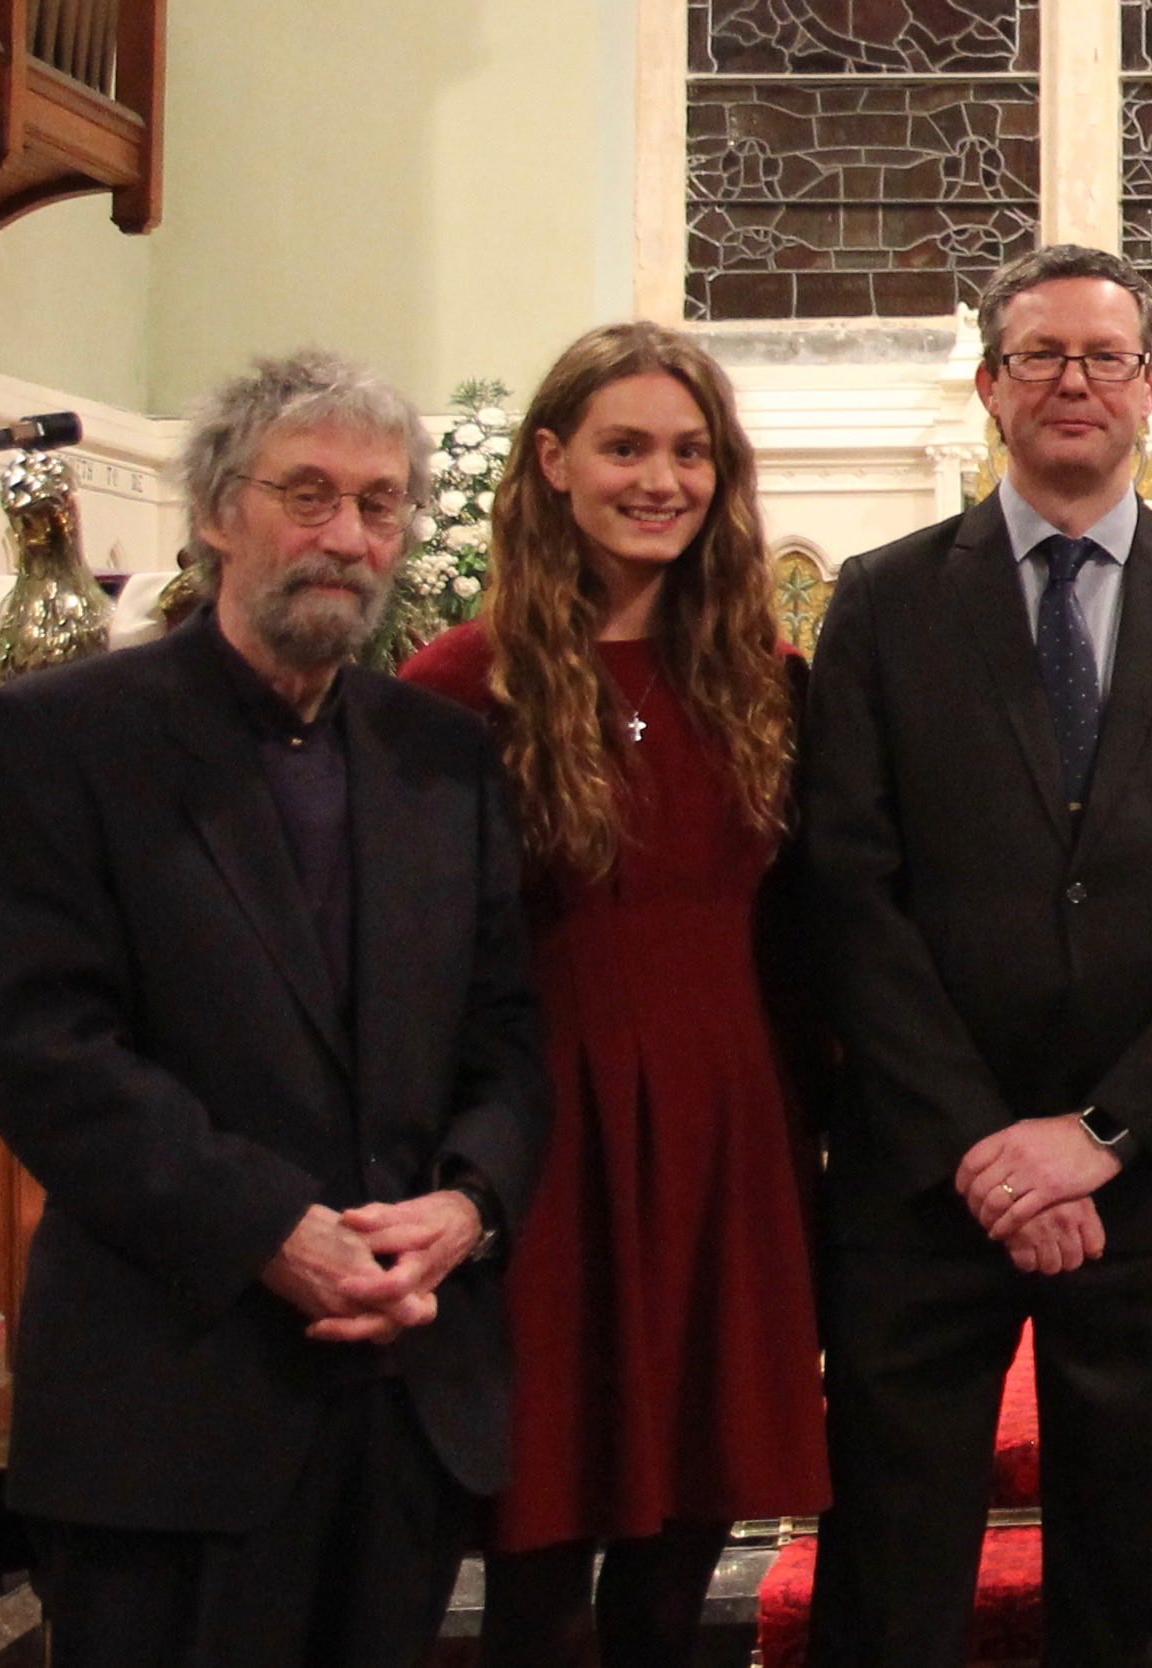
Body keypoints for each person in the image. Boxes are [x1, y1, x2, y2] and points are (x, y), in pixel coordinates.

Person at [0, 350, 547, 1668]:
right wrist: (268, 1229)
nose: (346, 537)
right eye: (308, 494)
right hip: (174, 1395)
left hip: (405, 1395)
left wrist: (469, 1205)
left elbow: (506, 1033)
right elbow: (42, 1046)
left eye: (380, 504)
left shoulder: (439, 755)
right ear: (221, 510)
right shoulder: (63, 739)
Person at [799, 244, 1152, 1668]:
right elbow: (848, 894)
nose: (1074, 382)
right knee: (891, 1576)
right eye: (1040, 355)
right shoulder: (883, 600)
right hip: (925, 1177)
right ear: (989, 387)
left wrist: (1098, 1133)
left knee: (1139, 1578)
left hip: (1146, 1180)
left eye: (1105, 357)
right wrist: (984, 1143)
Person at [397, 321, 829, 1668]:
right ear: (550, 464)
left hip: (729, 1126)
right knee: (537, 1544)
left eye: (691, 451)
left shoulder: (763, 679)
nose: (663, 479)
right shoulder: (460, 687)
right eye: (626, 446)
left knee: (683, 1532)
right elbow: (416, 959)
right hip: (552, 1137)